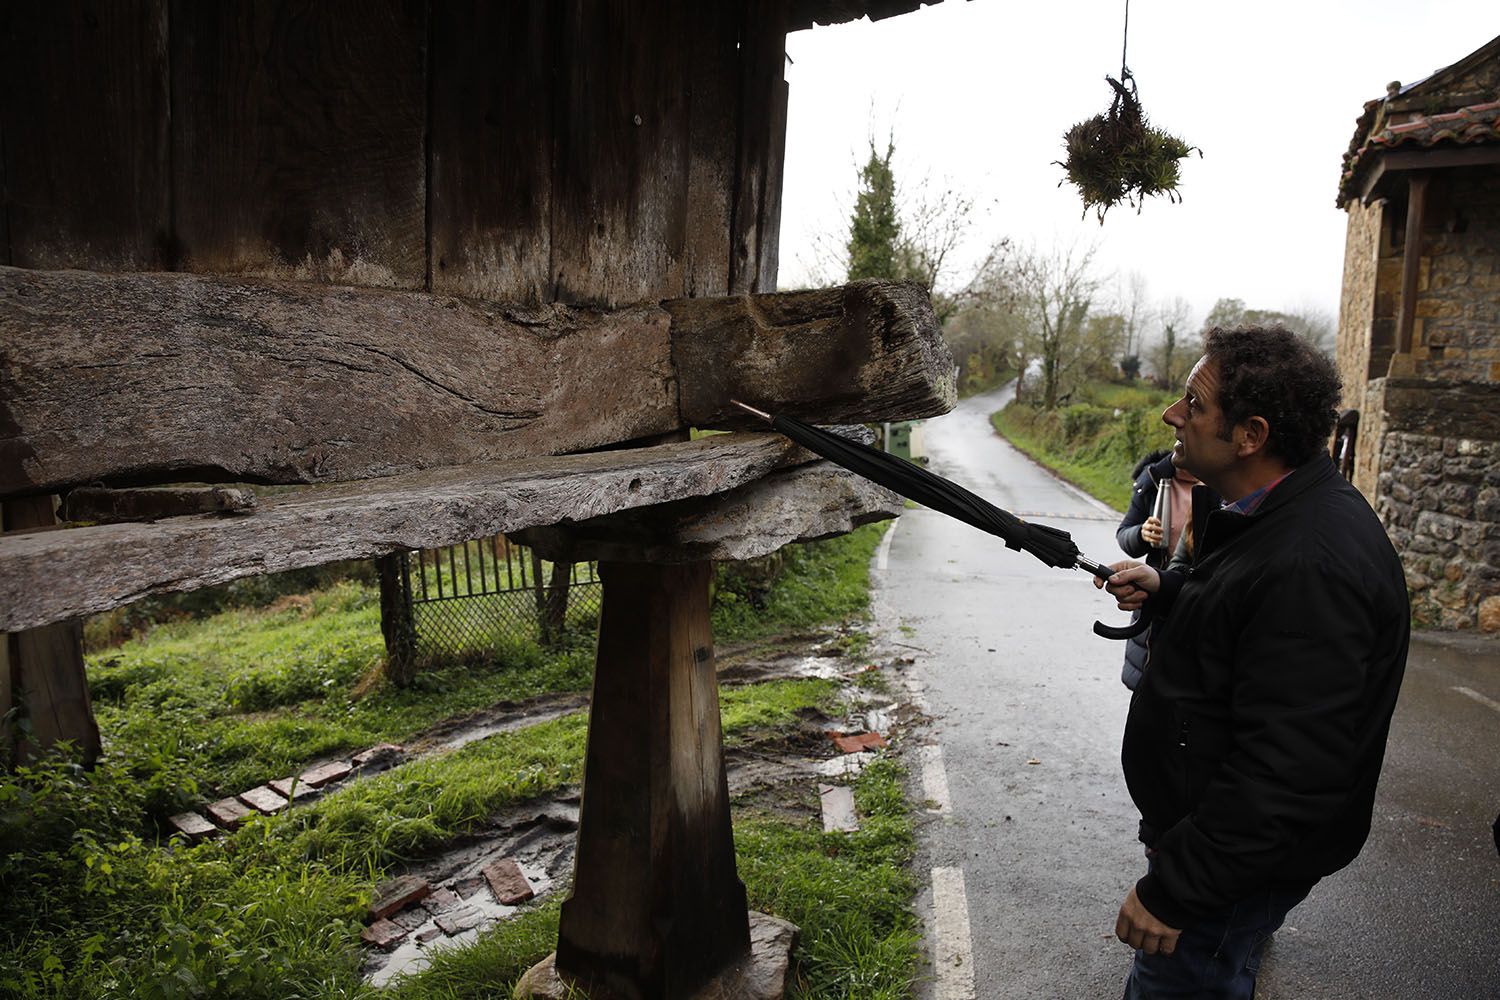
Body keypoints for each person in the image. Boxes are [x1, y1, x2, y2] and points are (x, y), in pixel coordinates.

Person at [1095, 326, 1410, 999]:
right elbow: (1251, 623)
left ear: (1250, 435)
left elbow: (1288, 769)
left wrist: (1176, 889)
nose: (1171, 416)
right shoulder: (1271, 515)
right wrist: (1171, 588)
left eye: (1193, 404)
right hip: (1226, 851)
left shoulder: (1310, 562)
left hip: (1230, 870)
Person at [1114, 449, 1200, 690]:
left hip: (1198, 594)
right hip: (1158, 589)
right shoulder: (1154, 480)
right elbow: (1124, 534)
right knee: (1146, 684)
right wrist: (1141, 534)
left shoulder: (1223, 484)